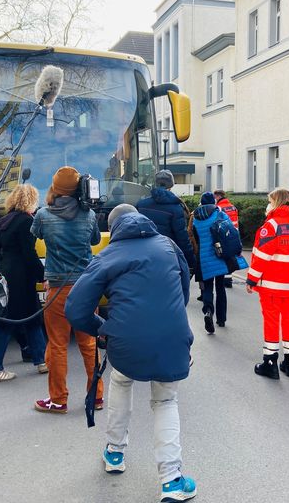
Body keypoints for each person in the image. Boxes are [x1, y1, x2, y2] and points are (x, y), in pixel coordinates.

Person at [65, 204, 197, 502]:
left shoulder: (107, 256)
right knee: (165, 400)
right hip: (172, 338)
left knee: (122, 382)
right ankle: (172, 480)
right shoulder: (168, 245)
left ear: (113, 229)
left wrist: (103, 327)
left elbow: (75, 309)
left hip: (125, 342)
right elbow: (184, 290)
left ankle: (114, 454)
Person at [31, 166, 103, 414]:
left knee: (58, 344)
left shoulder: (43, 215)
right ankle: (96, 396)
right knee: (89, 344)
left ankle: (59, 399)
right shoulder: (89, 214)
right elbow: (94, 241)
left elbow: (36, 234)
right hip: (86, 287)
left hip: (58, 287)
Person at [0, 184, 47, 382]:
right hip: (21, 277)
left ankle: (41, 360)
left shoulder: (5, 221)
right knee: (10, 322)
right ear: (31, 201)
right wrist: (42, 275)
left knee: (30, 317)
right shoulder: (27, 221)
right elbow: (29, 254)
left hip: (6, 275)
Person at [246, 189, 289, 379]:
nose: (269, 205)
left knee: (272, 321)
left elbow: (261, 257)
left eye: (270, 201)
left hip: (272, 284)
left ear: (277, 203)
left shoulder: (271, 226)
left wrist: (251, 279)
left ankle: (270, 363)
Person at [136, 170, 196, 272]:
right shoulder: (176, 208)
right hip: (167, 257)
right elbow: (182, 238)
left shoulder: (141, 205)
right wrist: (191, 260)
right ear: (171, 185)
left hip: (143, 256)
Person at [188, 192, 230, 334]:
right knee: (220, 287)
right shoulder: (219, 214)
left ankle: (208, 312)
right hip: (219, 255)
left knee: (207, 287)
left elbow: (193, 235)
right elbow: (229, 229)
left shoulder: (196, 218)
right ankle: (221, 319)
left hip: (203, 257)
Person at [213, 189, 239, 288]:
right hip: (234, 234)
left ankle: (226, 280)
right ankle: (229, 278)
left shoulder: (219, 208)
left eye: (215, 197)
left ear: (218, 196)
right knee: (231, 256)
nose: (214, 199)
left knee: (224, 257)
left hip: (224, 235)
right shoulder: (233, 207)